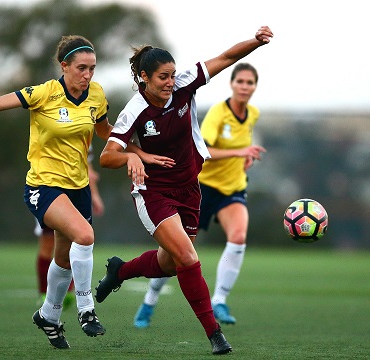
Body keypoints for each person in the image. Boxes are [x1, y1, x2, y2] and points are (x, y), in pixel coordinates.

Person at [95, 26, 273, 355]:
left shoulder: (184, 84)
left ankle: (121, 270)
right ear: (144, 78)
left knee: (171, 263)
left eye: (173, 75)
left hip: (190, 189)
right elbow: (108, 156)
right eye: (163, 76)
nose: (170, 81)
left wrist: (257, 42)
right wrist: (137, 155)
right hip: (154, 193)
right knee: (189, 260)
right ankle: (215, 334)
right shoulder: (135, 110)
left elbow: (227, 57)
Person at [0, 35, 112, 349]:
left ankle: (48, 315)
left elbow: (107, 133)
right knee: (85, 236)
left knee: (65, 257)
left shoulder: (96, 95)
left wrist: (139, 152)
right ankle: (86, 308)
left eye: (92, 68)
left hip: (78, 187)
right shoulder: (44, 93)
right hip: (43, 185)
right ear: (64, 65)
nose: (87, 75)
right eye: (81, 68)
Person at [133, 63, 266, 329]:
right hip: (200, 187)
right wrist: (239, 152)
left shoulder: (252, 114)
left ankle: (220, 300)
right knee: (178, 253)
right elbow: (204, 149)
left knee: (238, 236)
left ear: (254, 87)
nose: (244, 87)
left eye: (250, 82)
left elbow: (242, 148)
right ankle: (150, 299)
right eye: (240, 81)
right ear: (232, 84)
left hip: (232, 188)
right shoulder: (219, 112)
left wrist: (245, 158)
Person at [35, 147, 105, 309]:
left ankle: (68, 291)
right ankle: (44, 293)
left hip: (76, 192)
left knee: (77, 241)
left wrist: (94, 195)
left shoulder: (85, 125)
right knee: (47, 243)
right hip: (48, 190)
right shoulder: (48, 124)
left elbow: (87, 166)